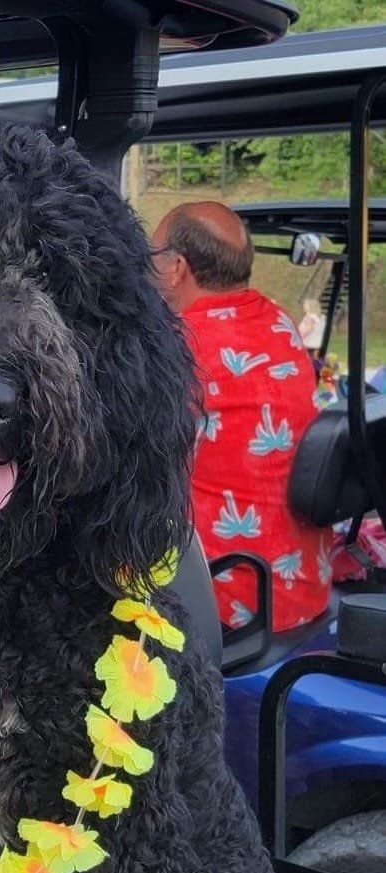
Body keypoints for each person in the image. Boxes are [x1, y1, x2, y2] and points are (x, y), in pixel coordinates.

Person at [152, 201, 331, 632]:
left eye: (151, 257)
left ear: (176, 268)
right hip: (300, 590)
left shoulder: (180, 347)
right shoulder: (278, 323)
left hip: (228, 600)